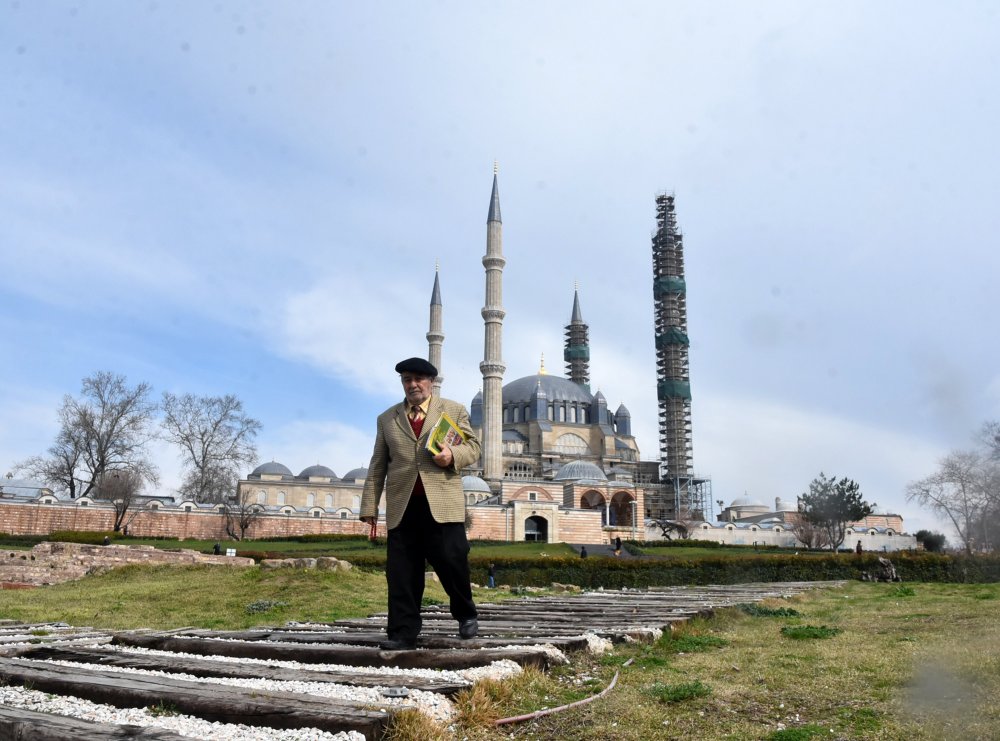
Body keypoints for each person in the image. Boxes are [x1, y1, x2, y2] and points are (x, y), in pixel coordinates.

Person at [360, 357, 482, 651]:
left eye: (418, 379)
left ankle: (465, 614)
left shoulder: (452, 410)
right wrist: (369, 507)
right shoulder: (387, 419)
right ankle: (402, 633)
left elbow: (474, 447)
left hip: (441, 503)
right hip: (403, 506)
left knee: (452, 562)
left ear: (430, 382)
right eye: (406, 380)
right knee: (401, 571)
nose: (412, 385)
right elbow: (378, 465)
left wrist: (452, 455)